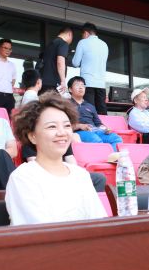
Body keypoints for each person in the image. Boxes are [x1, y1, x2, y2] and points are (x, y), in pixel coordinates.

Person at [7, 93, 107, 225]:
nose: (62, 133)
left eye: (67, 126)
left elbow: (99, 223)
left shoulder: (81, 175)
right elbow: (40, 231)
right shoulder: (23, 178)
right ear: (32, 136)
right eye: (52, 126)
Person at [68, 76, 122, 151]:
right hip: (79, 132)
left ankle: (109, 156)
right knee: (96, 140)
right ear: (70, 89)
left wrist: (105, 128)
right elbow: (63, 125)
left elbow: (98, 123)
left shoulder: (90, 106)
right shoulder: (66, 104)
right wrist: (80, 126)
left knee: (116, 139)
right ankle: (104, 156)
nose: (81, 87)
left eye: (83, 85)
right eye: (77, 85)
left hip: (96, 131)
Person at [72, 22, 108, 115]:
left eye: (82, 35)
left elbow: (75, 63)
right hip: (101, 84)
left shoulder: (83, 42)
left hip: (88, 82)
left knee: (88, 111)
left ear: (85, 33)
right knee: (102, 112)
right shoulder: (104, 45)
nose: (82, 37)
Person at [40, 26, 73, 94]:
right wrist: (63, 81)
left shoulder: (49, 45)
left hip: (42, 82)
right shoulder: (63, 43)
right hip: (53, 83)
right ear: (69, 34)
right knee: (52, 101)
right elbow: (60, 62)